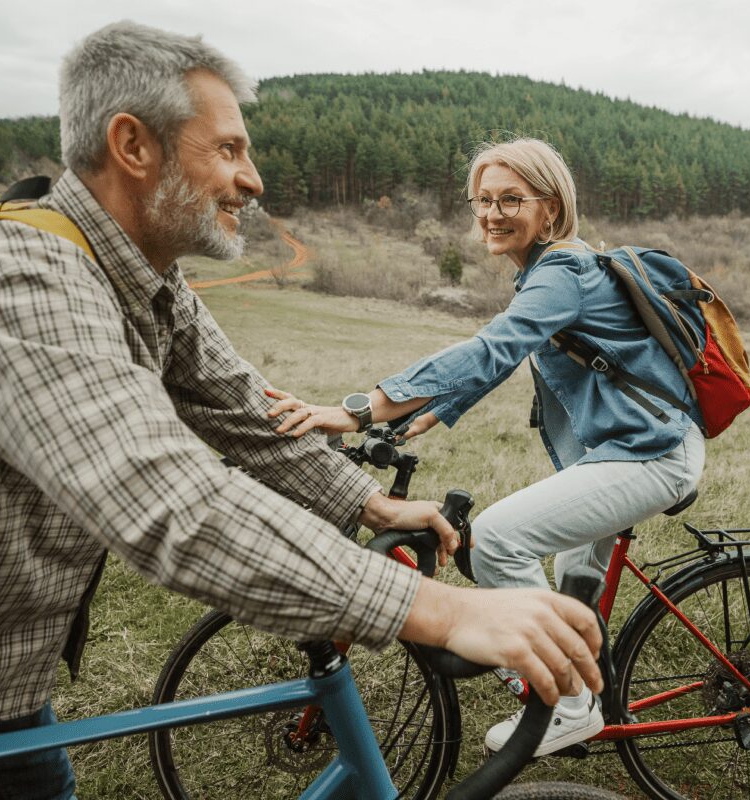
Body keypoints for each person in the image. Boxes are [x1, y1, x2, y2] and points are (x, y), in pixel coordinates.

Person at [0, 23, 602, 800]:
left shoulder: (145, 279)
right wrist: (440, 610)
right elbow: (163, 496)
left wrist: (367, 505)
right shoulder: (13, 279)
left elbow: (244, 415)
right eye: (228, 150)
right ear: (132, 144)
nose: (252, 179)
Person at [269, 137, 706, 757]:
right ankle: (588, 695)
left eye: (510, 199)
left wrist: (357, 409)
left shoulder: (563, 272)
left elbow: (491, 347)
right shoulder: (548, 271)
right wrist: (434, 410)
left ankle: (570, 706)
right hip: (625, 449)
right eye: (482, 202)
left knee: (500, 539)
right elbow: (513, 354)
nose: (493, 214)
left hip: (650, 454)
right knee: (569, 585)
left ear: (550, 208)